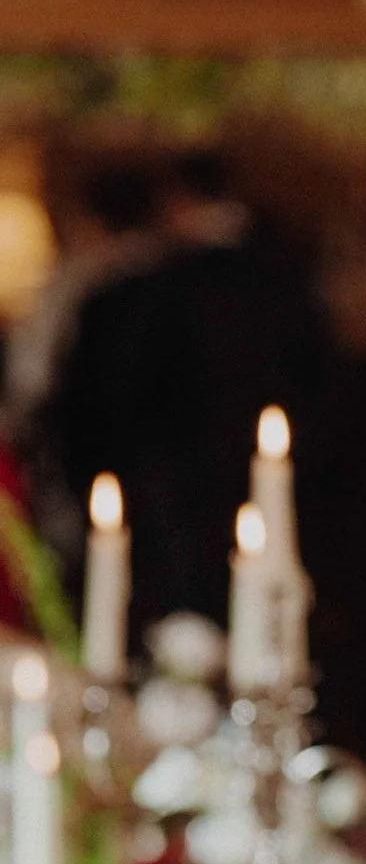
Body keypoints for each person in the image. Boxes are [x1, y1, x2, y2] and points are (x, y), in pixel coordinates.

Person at [37, 150, 329, 640]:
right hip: (272, 512)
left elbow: (101, 413)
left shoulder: (142, 296)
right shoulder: (291, 288)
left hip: (166, 524)